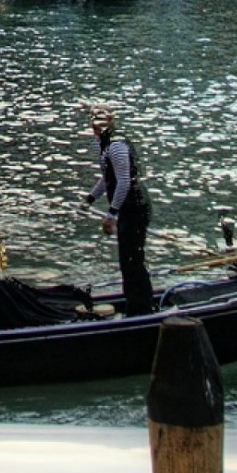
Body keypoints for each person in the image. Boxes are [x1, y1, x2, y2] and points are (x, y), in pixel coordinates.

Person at [81, 103, 154, 316]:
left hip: (136, 207)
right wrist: (90, 199)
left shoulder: (116, 146)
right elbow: (108, 178)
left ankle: (141, 308)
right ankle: (135, 302)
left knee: (132, 259)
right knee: (126, 259)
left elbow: (123, 182)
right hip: (127, 207)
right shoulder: (103, 145)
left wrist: (111, 214)